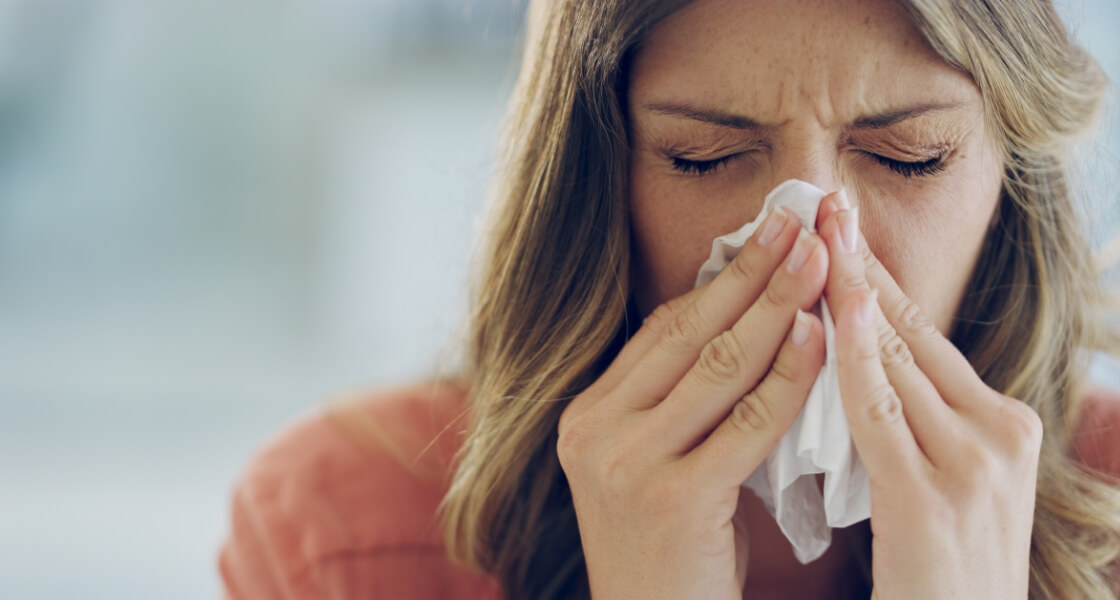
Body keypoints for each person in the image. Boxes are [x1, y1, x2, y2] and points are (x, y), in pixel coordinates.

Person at [218, 0, 1120, 598]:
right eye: (704, 158)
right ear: (594, 179)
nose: (810, 250)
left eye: (909, 156)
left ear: (1012, 177)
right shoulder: (349, 531)